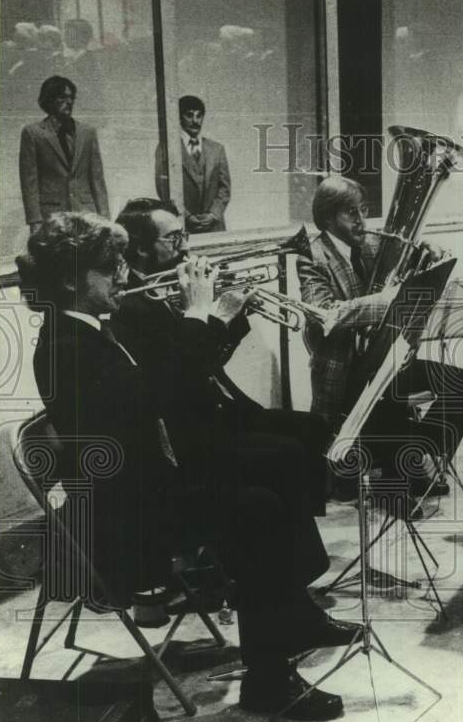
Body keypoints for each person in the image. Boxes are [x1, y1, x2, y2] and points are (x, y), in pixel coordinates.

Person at [16, 212, 351, 720]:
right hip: (125, 519)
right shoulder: (65, 347)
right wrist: (199, 317)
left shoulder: (88, 330)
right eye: (109, 269)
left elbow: (164, 390)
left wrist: (209, 322)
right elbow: (151, 398)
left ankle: (283, 636)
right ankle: (268, 681)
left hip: (147, 487)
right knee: (257, 508)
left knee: (269, 475)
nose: (124, 276)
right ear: (70, 280)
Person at [112, 197, 331, 518]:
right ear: (141, 248)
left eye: (183, 235)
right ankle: (286, 542)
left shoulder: (165, 285)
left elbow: (210, 361)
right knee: (289, 451)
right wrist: (207, 316)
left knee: (313, 427)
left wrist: (235, 318)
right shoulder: (132, 304)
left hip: (220, 406)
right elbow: (183, 375)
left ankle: (297, 528)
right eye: (173, 238)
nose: (184, 247)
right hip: (192, 427)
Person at [293, 175, 463, 506]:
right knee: (388, 392)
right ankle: (395, 485)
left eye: (362, 210)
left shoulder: (368, 243)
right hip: (346, 371)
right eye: (350, 212)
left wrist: (430, 254)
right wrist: (388, 302)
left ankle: (415, 454)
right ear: (327, 217)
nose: (361, 220)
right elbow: (325, 314)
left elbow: (408, 254)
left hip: (383, 359)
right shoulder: (312, 256)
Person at [19, 75, 109, 234]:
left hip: (86, 214)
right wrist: (35, 221)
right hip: (52, 216)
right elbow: (29, 182)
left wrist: (104, 218)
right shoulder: (33, 133)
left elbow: (97, 179)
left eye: (71, 97)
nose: (69, 102)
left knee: (86, 257)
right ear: (49, 99)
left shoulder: (87, 133)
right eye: (62, 97)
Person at [155, 95, 231, 233]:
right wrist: (187, 216)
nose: (195, 121)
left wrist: (213, 215)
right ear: (179, 117)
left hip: (214, 226)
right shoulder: (166, 148)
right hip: (183, 225)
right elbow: (163, 190)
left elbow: (224, 189)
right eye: (189, 115)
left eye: (199, 116)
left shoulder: (217, 149)